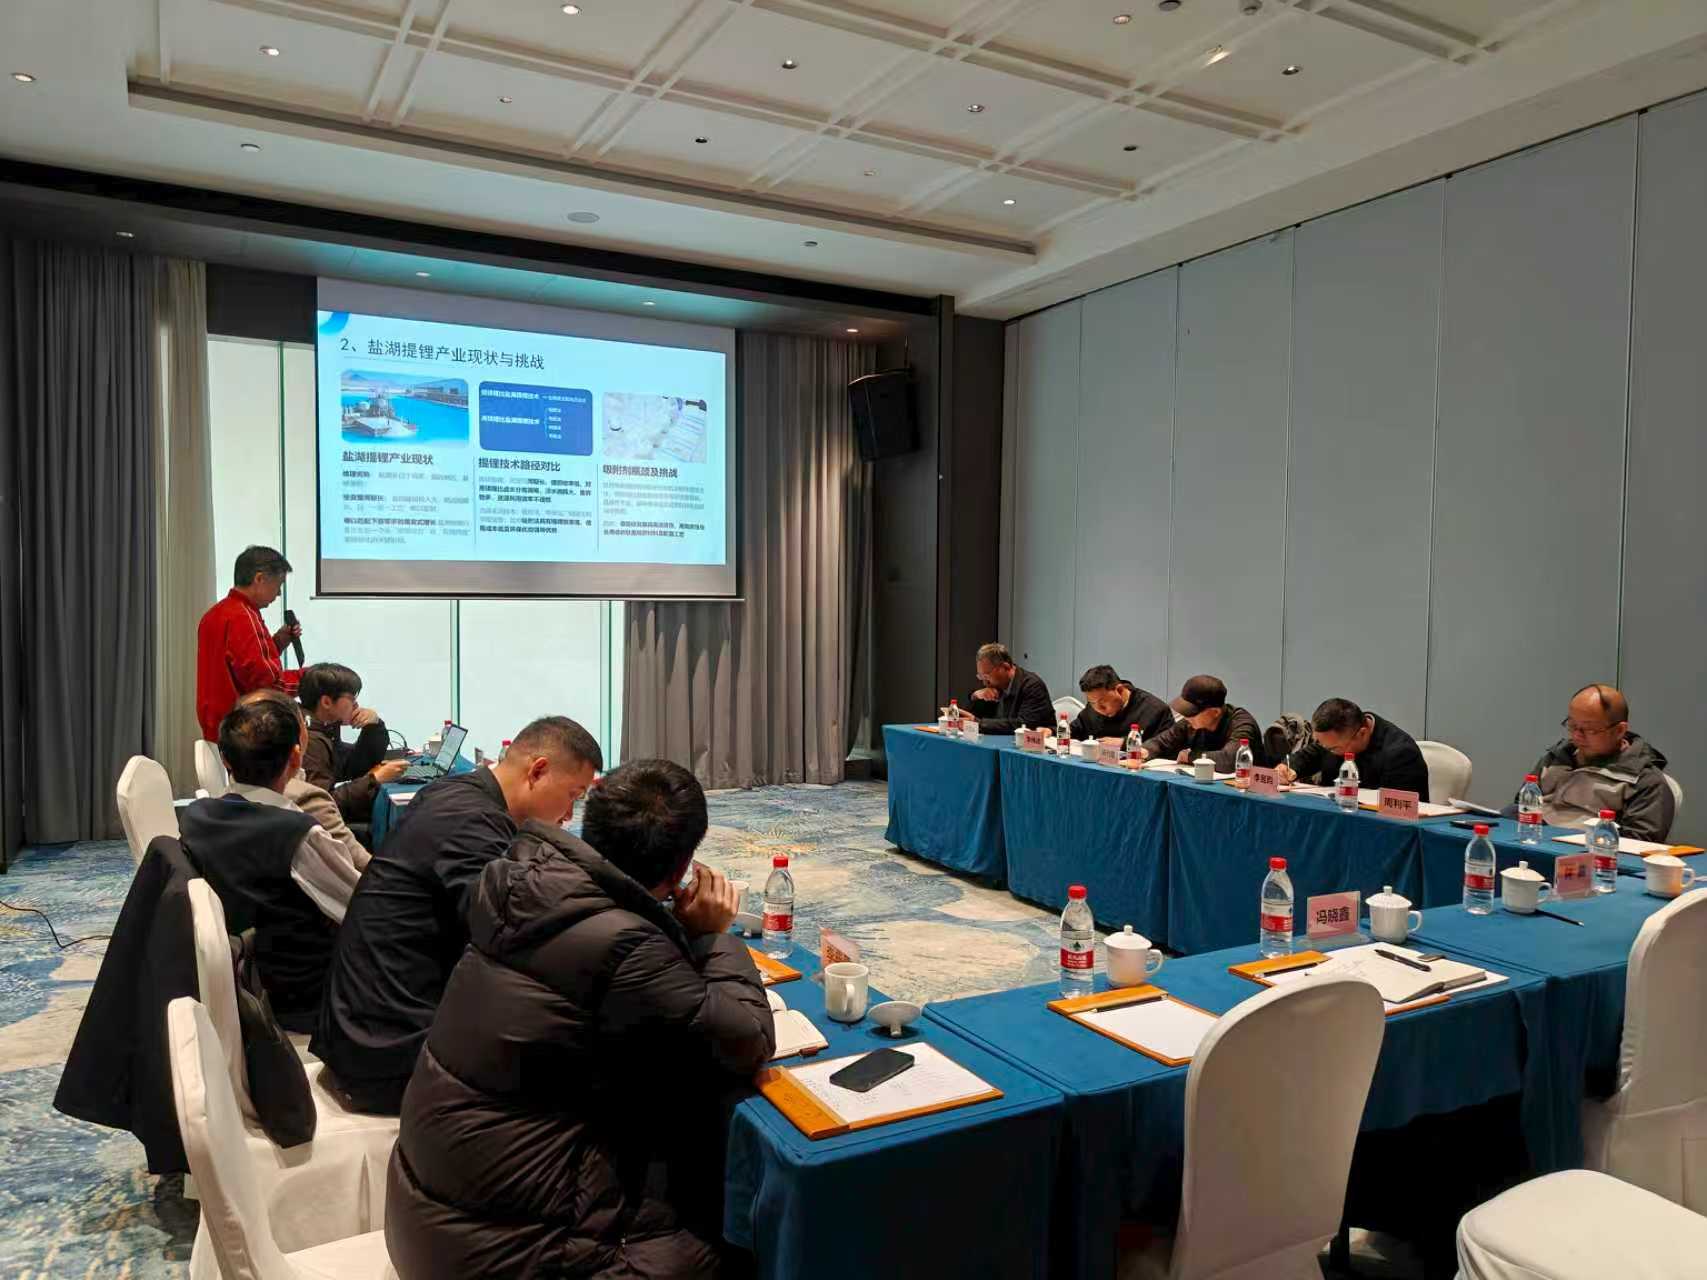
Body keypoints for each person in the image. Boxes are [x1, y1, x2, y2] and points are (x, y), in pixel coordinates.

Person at [385, 759, 773, 1279]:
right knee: (739, 1239)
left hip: (423, 1225)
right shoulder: (625, 944)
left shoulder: (518, 883)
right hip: (504, 1260)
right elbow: (747, 1039)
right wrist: (710, 937)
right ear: (681, 868)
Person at [311, 716, 603, 1115]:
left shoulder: (455, 793)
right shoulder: (473, 822)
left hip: (362, 1027)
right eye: (573, 795)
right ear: (538, 771)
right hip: (387, 1052)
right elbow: (515, 934)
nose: (569, 815)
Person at [179, 693, 364, 1031]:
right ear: (295, 757)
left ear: (225, 759)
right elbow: (361, 907)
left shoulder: (196, 816)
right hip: (308, 994)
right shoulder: (298, 834)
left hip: (247, 982)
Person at [233, 688, 371, 871]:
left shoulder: (214, 806)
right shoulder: (306, 799)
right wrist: (373, 780)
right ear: (296, 752)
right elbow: (365, 871)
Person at [1525, 684, 1675, 841]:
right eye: (1572, 726)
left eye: (1590, 729)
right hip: (1534, 840)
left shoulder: (1644, 781)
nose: (1577, 735)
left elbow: (1638, 841)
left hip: (1589, 850)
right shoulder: (1556, 758)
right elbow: (1523, 806)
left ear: (1619, 731)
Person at [195, 545, 303, 741]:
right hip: (243, 731)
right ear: (259, 579)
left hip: (217, 726)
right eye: (278, 584)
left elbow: (239, 667)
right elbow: (267, 687)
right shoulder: (244, 617)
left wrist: (277, 643)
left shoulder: (215, 614)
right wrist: (310, 679)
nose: (279, 593)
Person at [298, 662, 406, 823]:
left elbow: (353, 766)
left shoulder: (325, 728)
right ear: (326, 702)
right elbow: (322, 806)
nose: (356, 705)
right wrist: (374, 779)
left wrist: (374, 726)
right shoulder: (311, 741)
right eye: (352, 699)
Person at [1279, 697, 1429, 796]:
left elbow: (1400, 811)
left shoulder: (1401, 754)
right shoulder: (1335, 738)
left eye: (1333, 749)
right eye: (1319, 742)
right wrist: (1287, 768)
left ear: (1362, 734)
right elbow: (1311, 754)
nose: (1325, 749)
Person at [1136, 675, 1262, 772]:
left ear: (1215, 712)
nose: (1187, 716)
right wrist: (1144, 751)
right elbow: (1162, 742)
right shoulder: (1190, 723)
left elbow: (1231, 760)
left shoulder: (1242, 724)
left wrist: (1191, 756)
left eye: (1192, 712)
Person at [964, 642, 1054, 734]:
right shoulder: (994, 684)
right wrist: (975, 696)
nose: (984, 682)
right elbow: (972, 717)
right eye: (981, 676)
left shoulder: (1032, 686)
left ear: (1005, 667)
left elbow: (1023, 725)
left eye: (986, 676)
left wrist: (980, 724)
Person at [1070, 665, 1172, 742]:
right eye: (1092, 703)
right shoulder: (1094, 707)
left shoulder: (1155, 710)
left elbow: (1164, 747)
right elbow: (1071, 732)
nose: (1099, 709)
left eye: (1103, 702)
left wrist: (1124, 743)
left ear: (1120, 690)